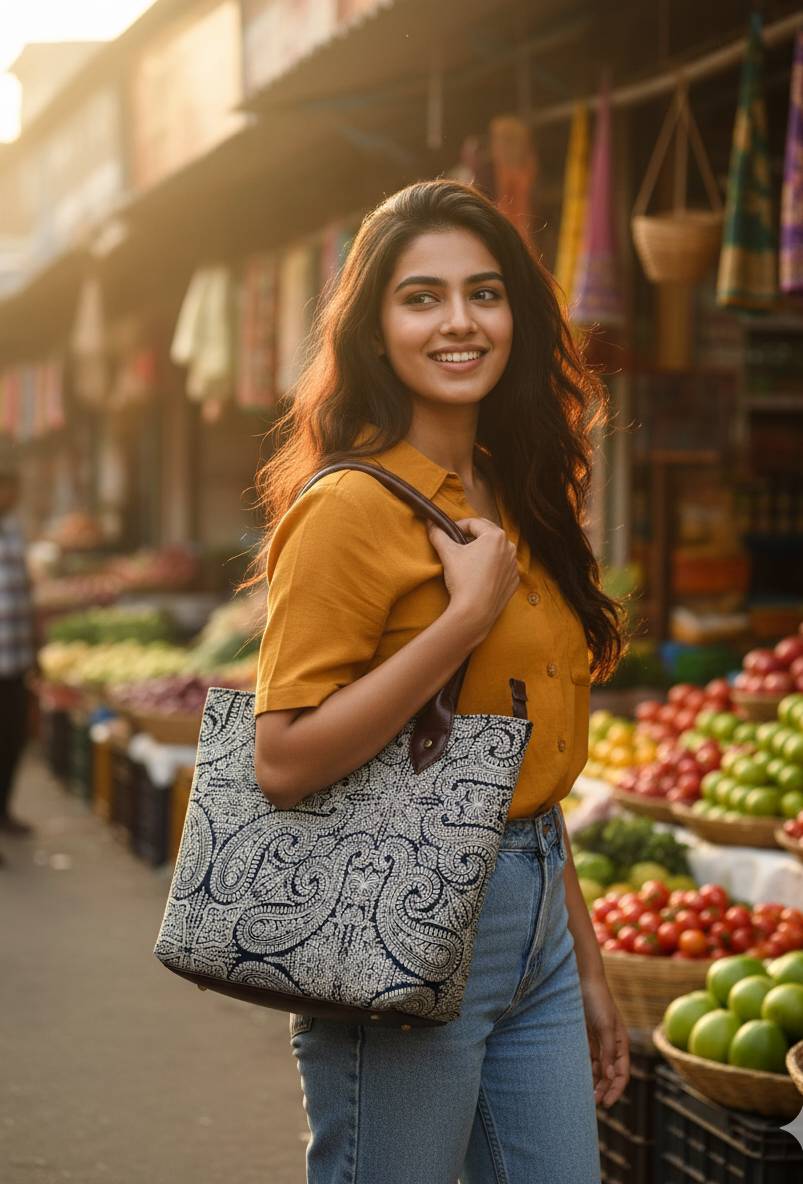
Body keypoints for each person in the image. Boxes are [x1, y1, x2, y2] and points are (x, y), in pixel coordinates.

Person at [252, 179, 629, 1183]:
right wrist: (463, 617)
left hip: (536, 907)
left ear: (517, 314)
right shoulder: (351, 507)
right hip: (399, 909)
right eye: (421, 296)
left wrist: (580, 958)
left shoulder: (525, 493)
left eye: (485, 292)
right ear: (376, 328)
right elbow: (282, 757)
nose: (459, 320)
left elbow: (519, 756)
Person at [0, 468, 35, 862]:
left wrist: (34, 651)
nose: (11, 497)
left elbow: (24, 593)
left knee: (11, 740)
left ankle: (2, 810)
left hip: (14, 660)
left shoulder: (11, 534)